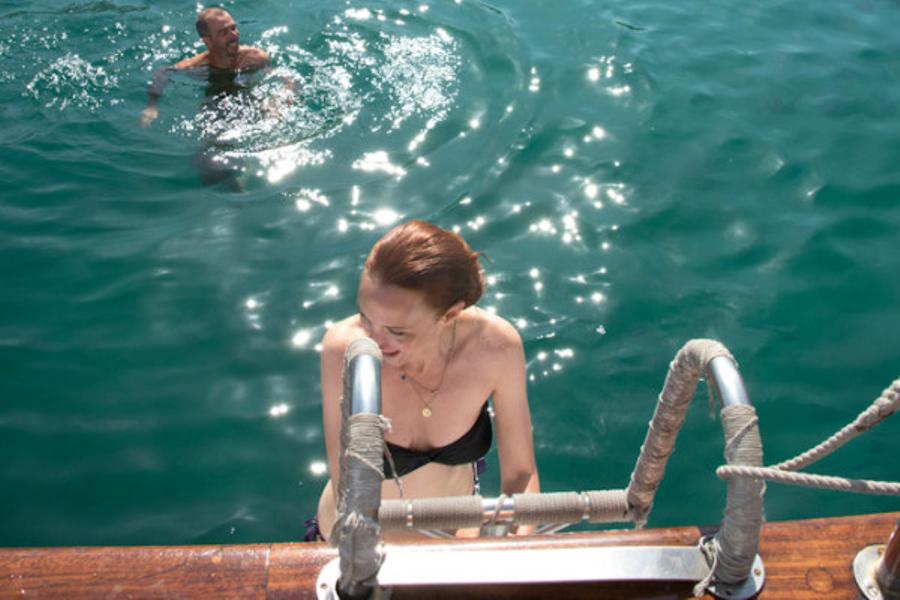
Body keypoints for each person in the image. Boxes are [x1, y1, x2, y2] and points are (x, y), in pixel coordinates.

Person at [314, 221, 540, 541]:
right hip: (358, 540)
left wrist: (518, 537)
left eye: (396, 331)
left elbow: (521, 473)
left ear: (450, 314)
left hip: (455, 539)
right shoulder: (343, 350)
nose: (373, 340)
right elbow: (346, 486)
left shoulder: (495, 347)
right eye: (365, 317)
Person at [140, 8, 271, 127]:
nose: (234, 35)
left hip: (247, 94)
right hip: (214, 97)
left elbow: (275, 77)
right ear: (208, 41)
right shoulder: (194, 65)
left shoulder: (255, 58)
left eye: (233, 28)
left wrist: (275, 98)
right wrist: (151, 106)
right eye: (223, 33)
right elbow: (163, 72)